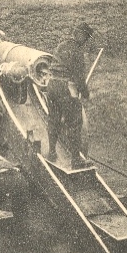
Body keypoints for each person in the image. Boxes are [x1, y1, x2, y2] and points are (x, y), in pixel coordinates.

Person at [46, 22, 94, 169]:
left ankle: (52, 152)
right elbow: (79, 77)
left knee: (53, 119)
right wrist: (85, 94)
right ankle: (76, 160)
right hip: (65, 87)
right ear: (80, 35)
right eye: (85, 37)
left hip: (52, 84)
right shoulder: (77, 51)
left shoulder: (61, 46)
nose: (86, 41)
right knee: (74, 122)